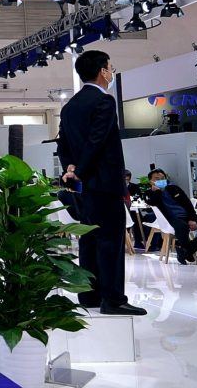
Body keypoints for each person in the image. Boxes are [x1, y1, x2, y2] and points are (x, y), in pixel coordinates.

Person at [57, 50, 146, 316]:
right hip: (104, 184)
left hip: (82, 187)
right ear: (101, 71)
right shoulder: (104, 101)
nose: (111, 72)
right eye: (109, 67)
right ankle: (113, 299)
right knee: (110, 241)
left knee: (89, 238)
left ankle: (89, 294)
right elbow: (97, 141)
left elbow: (62, 144)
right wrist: (81, 169)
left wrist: (71, 168)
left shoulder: (70, 106)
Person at [145, 169, 197, 264]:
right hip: (171, 218)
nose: (161, 180)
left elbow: (188, 204)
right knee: (182, 227)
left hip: (188, 216)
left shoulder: (174, 188)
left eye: (163, 178)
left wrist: (192, 219)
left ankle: (185, 250)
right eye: (157, 179)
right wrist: (157, 191)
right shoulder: (149, 193)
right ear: (151, 181)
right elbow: (152, 202)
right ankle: (187, 251)